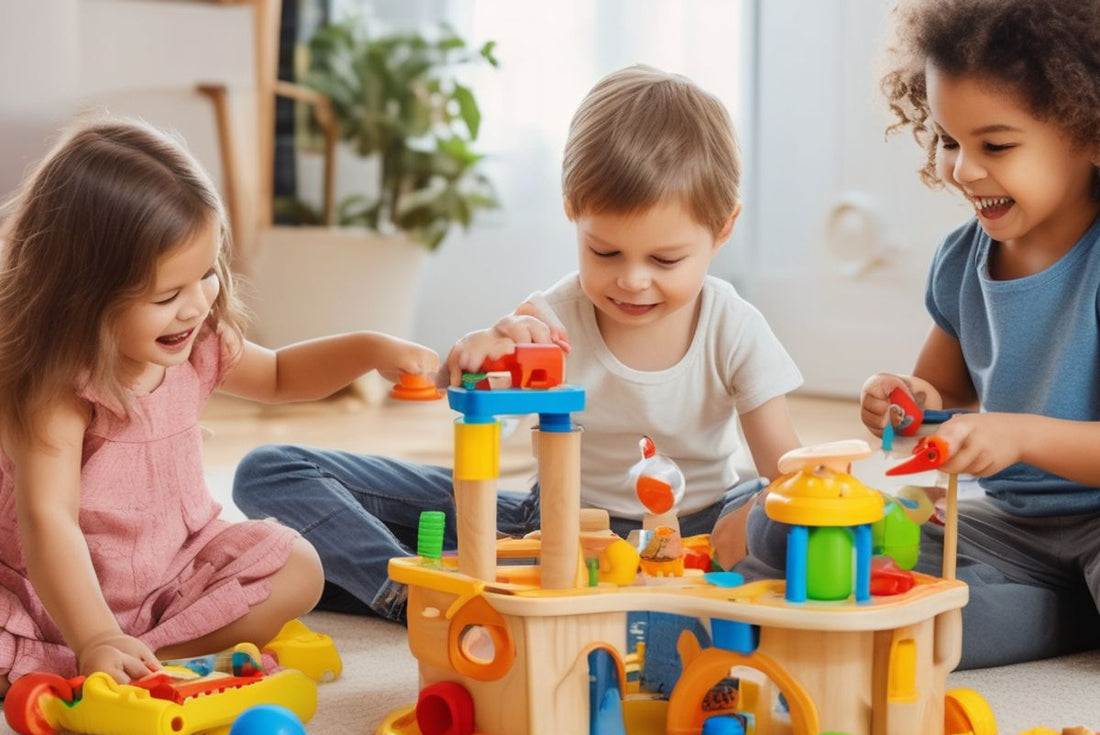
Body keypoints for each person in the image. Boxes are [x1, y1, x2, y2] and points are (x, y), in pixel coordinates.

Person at [232, 65, 803, 640]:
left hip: (696, 533)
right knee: (270, 471)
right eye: (604, 252)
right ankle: (408, 593)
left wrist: (757, 520)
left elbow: (784, 471)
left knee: (773, 513)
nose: (631, 280)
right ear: (572, 211)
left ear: (723, 228)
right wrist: (479, 354)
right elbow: (481, 395)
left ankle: (420, 583)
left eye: (664, 261)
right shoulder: (548, 319)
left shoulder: (732, 326)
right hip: (555, 531)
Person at [0, 117, 439, 698]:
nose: (195, 306)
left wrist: (369, 349)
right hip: (53, 592)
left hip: (174, 571)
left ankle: (155, 659)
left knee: (299, 569)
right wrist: (95, 633)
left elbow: (282, 375)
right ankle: (91, 656)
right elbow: (47, 519)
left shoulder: (199, 344)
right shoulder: (59, 386)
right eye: (166, 295)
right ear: (82, 297)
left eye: (206, 274)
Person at [741, 0, 1100, 669]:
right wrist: (904, 397)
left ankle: (1053, 603)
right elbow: (940, 398)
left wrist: (1017, 434)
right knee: (783, 525)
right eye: (947, 140)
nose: (962, 169)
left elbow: (1013, 430)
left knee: (908, 623)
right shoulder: (962, 258)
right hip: (1008, 527)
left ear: (1090, 131)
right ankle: (1060, 610)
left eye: (995, 145)